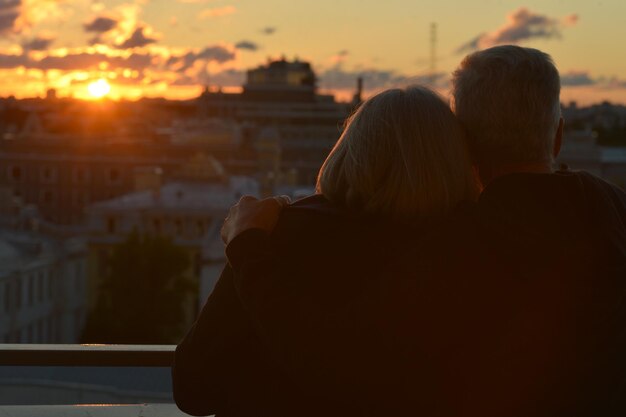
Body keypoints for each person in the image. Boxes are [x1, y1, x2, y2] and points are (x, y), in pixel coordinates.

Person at [208, 45, 626, 416]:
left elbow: (327, 357)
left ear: (463, 145)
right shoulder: (612, 209)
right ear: (556, 137)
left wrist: (248, 248)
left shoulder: (450, 246)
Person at [172, 86, 482, 416]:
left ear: (351, 151)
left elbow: (193, 385)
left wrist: (245, 242)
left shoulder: (278, 236)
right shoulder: (466, 250)